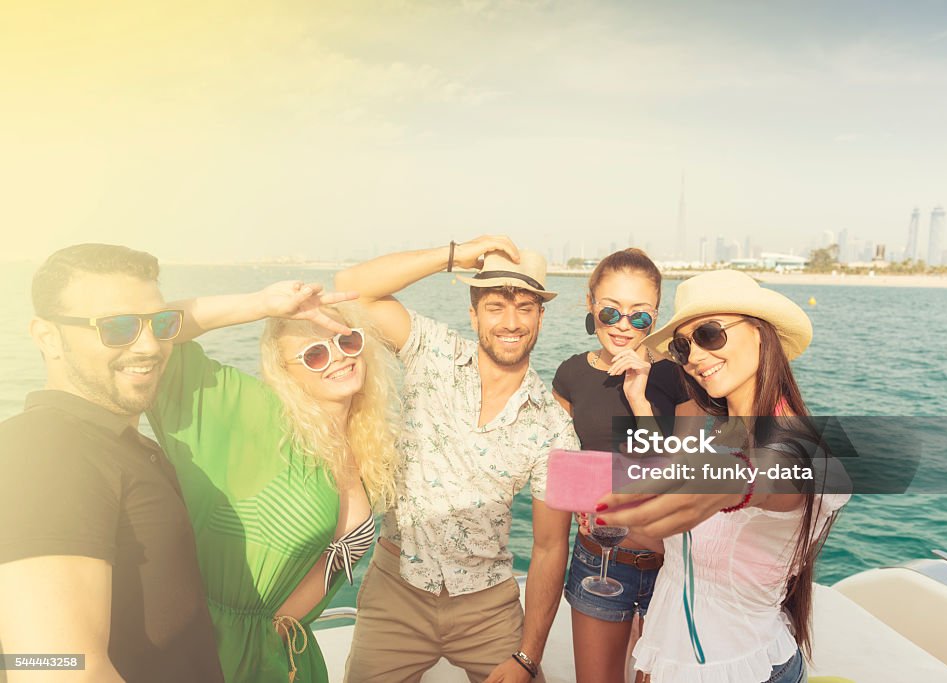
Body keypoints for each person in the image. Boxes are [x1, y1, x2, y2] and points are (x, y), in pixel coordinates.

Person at [334, 236, 580, 683]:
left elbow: (549, 548)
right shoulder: (431, 350)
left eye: (525, 307)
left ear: (541, 317)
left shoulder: (558, 429)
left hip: (487, 604)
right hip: (396, 590)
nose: (511, 322)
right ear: (473, 314)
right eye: (495, 307)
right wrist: (454, 255)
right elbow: (352, 288)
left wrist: (527, 657)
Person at [597, 270, 850, 683]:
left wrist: (735, 478)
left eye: (710, 334)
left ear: (760, 334)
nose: (694, 356)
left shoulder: (800, 443)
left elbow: (777, 473)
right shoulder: (715, 431)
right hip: (674, 656)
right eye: (683, 346)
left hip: (741, 669)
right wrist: (639, 402)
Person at [146, 281, 403, 682]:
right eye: (315, 354)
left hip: (289, 658)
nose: (337, 358)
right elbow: (157, 327)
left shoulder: (368, 445)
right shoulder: (255, 416)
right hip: (217, 655)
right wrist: (259, 304)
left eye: (346, 341)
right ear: (285, 373)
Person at [0, 244, 223, 683]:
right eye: (116, 328)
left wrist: (271, 303)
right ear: (48, 338)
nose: (150, 346)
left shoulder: (105, 442)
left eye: (160, 324)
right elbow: (53, 669)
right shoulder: (45, 448)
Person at [551, 249, 686, 683]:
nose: (624, 326)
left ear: (656, 317)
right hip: (599, 561)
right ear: (591, 304)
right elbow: (561, 464)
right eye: (611, 311)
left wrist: (640, 399)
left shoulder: (679, 377)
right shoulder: (570, 375)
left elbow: (683, 472)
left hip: (672, 568)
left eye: (640, 316)